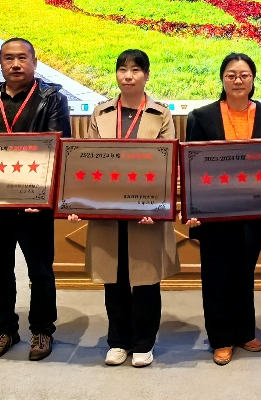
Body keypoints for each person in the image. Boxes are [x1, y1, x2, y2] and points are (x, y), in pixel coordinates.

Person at [67, 49, 180, 369]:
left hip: (146, 211)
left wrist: (157, 206)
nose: (128, 76)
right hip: (107, 209)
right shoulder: (100, 112)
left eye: (135, 70)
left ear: (147, 75)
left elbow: (167, 163)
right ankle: (118, 341)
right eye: (122, 69)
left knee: (145, 278)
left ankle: (143, 343)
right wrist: (78, 202)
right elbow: (86, 161)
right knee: (113, 278)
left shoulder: (161, 114)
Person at [0, 37, 70, 362]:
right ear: (0, 63)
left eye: (22, 58)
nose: (15, 64)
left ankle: (42, 330)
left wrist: (41, 193)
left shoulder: (51, 98)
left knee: (40, 271)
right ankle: (5, 330)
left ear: (34, 62)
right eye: (8, 58)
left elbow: (58, 148)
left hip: (34, 203)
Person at [184, 53, 261, 366]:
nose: (238, 80)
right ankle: (221, 338)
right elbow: (192, 167)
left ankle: (244, 332)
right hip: (213, 211)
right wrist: (193, 206)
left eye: (244, 75)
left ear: (253, 79)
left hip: (253, 211)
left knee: (244, 273)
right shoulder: (202, 117)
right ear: (222, 79)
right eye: (231, 75)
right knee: (217, 275)